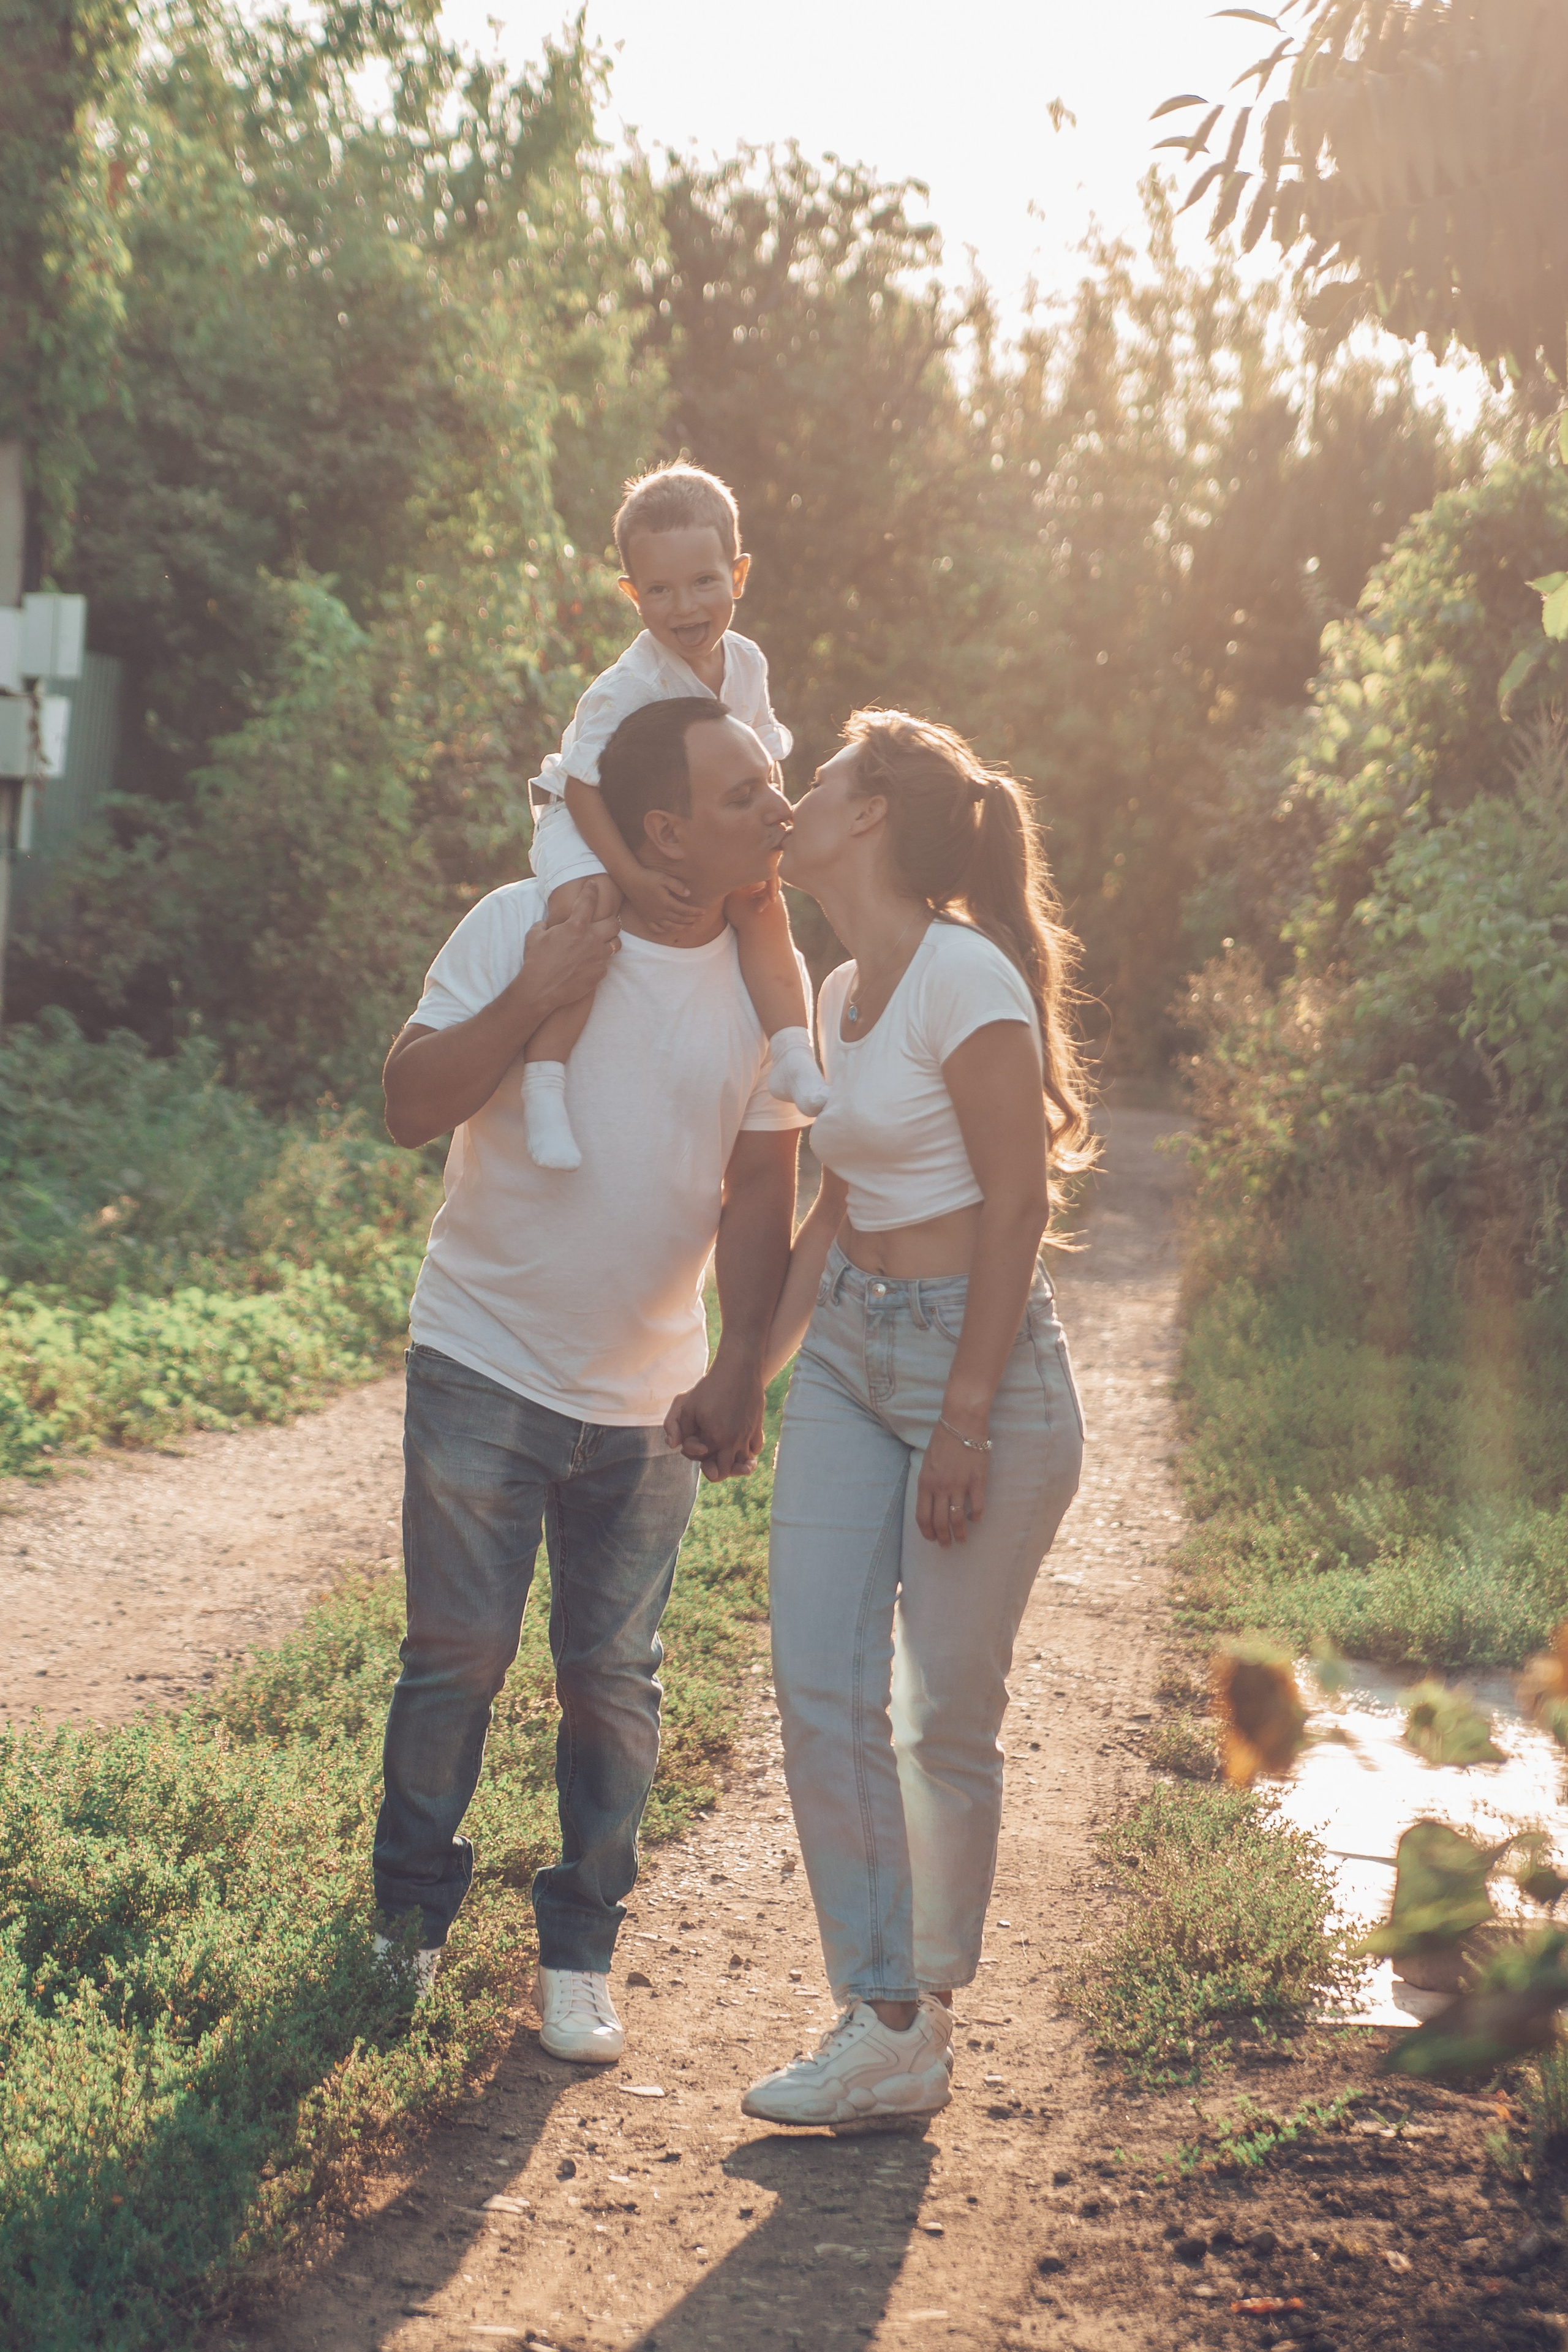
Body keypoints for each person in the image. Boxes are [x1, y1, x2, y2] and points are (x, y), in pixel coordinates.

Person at [374, 696, 812, 2062]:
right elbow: (406, 1102)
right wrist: (531, 1003)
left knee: (613, 1682)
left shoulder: (763, 985)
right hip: (482, 1361)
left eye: (776, 781)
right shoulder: (528, 920)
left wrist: (742, 1364)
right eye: (745, 792)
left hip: (646, 1403)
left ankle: (578, 1950)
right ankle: (405, 1932)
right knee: (458, 1658)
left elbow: (759, 1189)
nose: (776, 808)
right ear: (665, 829)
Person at [717, 707, 1091, 2133]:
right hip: (855, 1357)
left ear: (867, 814)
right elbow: (843, 1203)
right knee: (816, 1677)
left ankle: (913, 2015)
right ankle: (881, 2012)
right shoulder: (834, 991)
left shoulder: (963, 974)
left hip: (977, 1373)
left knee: (939, 1707)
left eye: (816, 779)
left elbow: (1015, 1204)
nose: (791, 795)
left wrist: (964, 1421)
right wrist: (746, 1367)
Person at [520, 461, 827, 1172]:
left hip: (666, 817)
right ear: (632, 595)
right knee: (588, 908)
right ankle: (545, 1082)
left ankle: (790, 1054)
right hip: (580, 810)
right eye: (658, 590)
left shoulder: (745, 663)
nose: (684, 606)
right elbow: (584, 786)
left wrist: (770, 838)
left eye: (703, 583)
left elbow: (758, 758)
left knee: (761, 903)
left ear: (738, 576)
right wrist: (630, 875)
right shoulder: (628, 686)